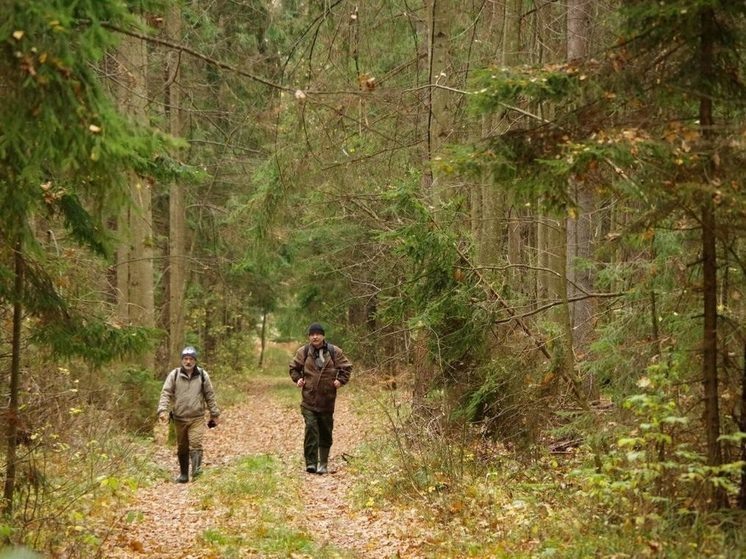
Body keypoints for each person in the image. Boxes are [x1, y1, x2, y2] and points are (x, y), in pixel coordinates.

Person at [289, 323, 352, 474]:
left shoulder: (334, 351)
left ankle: (323, 463)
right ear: (309, 337)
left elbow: (347, 367)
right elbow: (293, 368)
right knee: (311, 428)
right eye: (312, 334)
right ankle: (311, 463)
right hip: (308, 400)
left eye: (317, 334)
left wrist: (340, 381)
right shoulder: (303, 351)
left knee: (325, 430)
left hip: (327, 400)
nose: (314, 337)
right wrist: (297, 379)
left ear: (323, 336)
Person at [157, 346, 220, 483]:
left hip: (196, 417)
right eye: (185, 359)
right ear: (182, 360)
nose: (188, 362)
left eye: (191, 359)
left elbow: (210, 395)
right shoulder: (174, 375)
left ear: (195, 361)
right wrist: (162, 410)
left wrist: (214, 414)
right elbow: (166, 393)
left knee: (196, 444)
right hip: (179, 418)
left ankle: (196, 474)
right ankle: (184, 475)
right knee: (182, 446)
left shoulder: (203, 375)